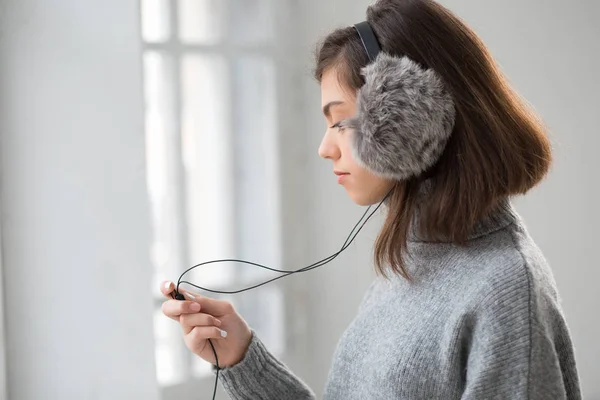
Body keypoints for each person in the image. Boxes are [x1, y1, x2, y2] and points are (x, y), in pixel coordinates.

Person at [161, 0, 582, 398]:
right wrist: (241, 357)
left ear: (413, 116)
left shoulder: (505, 293)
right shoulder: (414, 258)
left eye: (341, 120)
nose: (325, 148)